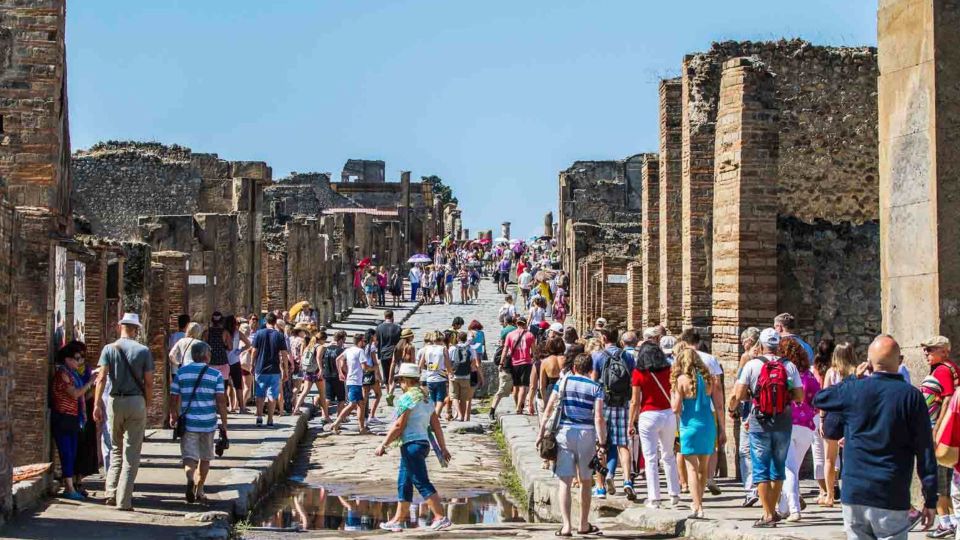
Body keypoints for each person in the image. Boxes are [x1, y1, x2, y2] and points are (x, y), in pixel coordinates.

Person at [814, 334, 936, 540]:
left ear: (868, 364)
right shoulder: (911, 396)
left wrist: (852, 378)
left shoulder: (854, 390)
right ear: (901, 361)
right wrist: (930, 499)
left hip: (854, 493)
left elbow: (821, 398)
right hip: (890, 492)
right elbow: (925, 450)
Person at [728, 328, 803, 528]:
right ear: (778, 345)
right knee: (778, 467)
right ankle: (773, 512)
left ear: (760, 345)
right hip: (783, 422)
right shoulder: (789, 366)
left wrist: (738, 404)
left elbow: (740, 393)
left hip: (758, 422)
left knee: (760, 467)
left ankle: (767, 513)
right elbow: (799, 397)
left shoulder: (752, 365)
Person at [374, 364, 453, 532]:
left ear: (405, 381)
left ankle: (440, 517)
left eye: (400, 381)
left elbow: (399, 425)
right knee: (404, 482)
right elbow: (436, 426)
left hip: (412, 445)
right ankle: (397, 519)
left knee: (420, 481)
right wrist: (443, 448)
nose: (399, 384)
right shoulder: (426, 398)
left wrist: (383, 444)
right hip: (422, 444)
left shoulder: (408, 398)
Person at [536, 352, 607, 537]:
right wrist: (602, 443)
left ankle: (566, 526)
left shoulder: (563, 382)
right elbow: (598, 417)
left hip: (564, 432)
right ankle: (583, 524)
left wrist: (541, 432)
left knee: (564, 482)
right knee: (585, 481)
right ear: (591, 369)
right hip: (587, 433)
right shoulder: (596, 387)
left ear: (574, 368)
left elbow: (549, 407)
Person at [92, 312, 154, 510]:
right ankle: (124, 500)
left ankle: (110, 492)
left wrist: (96, 404)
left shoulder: (109, 349)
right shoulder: (143, 351)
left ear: (121, 327)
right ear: (135, 329)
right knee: (131, 453)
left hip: (114, 401)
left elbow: (101, 379)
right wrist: (148, 402)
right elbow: (149, 382)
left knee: (116, 450)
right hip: (136, 401)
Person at [168, 341, 229, 504]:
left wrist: (173, 415)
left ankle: (190, 478)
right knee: (205, 457)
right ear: (207, 356)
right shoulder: (215, 375)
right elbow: (221, 401)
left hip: (188, 422)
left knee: (189, 456)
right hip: (208, 423)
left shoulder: (182, 372)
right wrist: (224, 422)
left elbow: (173, 397)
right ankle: (200, 489)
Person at [630, 329, 680, 509]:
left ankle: (654, 497)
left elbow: (635, 401)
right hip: (668, 414)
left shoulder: (638, 373)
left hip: (648, 415)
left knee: (651, 457)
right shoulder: (669, 369)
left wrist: (631, 422)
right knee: (668, 455)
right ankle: (674, 493)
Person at [919, 335, 959, 539]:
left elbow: (948, 398)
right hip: (941, 428)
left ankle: (946, 523)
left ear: (944, 351)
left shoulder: (943, 369)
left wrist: (938, 429)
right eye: (925, 349)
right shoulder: (947, 368)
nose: (926, 353)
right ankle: (951, 521)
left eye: (931, 349)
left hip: (938, 429)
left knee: (940, 478)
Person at [775, 337, 820, 522]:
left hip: (786, 423)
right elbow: (817, 399)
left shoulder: (783, 372)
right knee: (793, 468)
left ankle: (794, 510)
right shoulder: (808, 375)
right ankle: (783, 508)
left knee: (789, 469)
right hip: (806, 426)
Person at [678, 329, 726, 496]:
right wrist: (722, 424)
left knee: (684, 450)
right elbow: (718, 387)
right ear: (698, 342)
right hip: (708, 409)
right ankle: (709, 477)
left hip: (686, 413)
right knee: (709, 448)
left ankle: (684, 483)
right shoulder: (710, 359)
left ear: (684, 342)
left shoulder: (680, 359)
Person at [671, 345, 716, 519]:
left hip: (689, 426)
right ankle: (700, 501)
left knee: (691, 468)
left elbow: (675, 408)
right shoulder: (709, 379)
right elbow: (716, 403)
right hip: (707, 425)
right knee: (703, 467)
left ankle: (697, 506)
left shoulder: (680, 380)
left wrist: (673, 395)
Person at [590, 328, 635, 500]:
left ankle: (601, 487)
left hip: (603, 404)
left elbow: (594, 381)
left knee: (601, 445)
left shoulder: (598, 356)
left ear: (603, 338)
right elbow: (632, 380)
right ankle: (627, 481)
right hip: (622, 404)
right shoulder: (628, 357)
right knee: (623, 444)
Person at [51, 345, 97, 500]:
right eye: (77, 359)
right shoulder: (63, 374)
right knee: (66, 453)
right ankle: (69, 488)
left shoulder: (74, 374)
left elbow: (84, 395)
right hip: (63, 417)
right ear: (68, 359)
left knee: (72, 453)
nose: (80, 362)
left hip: (73, 417)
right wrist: (90, 382)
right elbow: (76, 394)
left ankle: (69, 486)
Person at [821, 342, 858, 507]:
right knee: (849, 458)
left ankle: (830, 495)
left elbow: (824, 397)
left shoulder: (831, 372)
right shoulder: (857, 372)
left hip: (833, 416)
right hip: (851, 416)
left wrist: (822, 419)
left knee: (829, 458)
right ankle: (849, 494)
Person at [731, 327, 761, 508]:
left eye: (744, 342)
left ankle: (751, 490)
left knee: (745, 450)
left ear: (750, 341)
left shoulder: (747, 358)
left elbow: (739, 387)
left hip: (749, 409)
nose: (743, 345)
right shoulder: (770, 358)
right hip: (769, 410)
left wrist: (731, 405)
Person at [249, 312, 290, 427]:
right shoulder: (279, 335)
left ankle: (259, 416)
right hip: (274, 369)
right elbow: (284, 354)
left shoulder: (259, 334)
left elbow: (254, 351)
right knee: (272, 394)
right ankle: (270, 419)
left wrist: (252, 365)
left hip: (260, 368)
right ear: (275, 321)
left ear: (265, 321)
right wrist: (285, 370)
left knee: (260, 393)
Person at [329, 333, 373, 435]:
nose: (364, 343)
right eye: (364, 341)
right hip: (355, 381)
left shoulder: (348, 350)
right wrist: (373, 368)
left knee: (361, 404)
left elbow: (337, 359)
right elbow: (364, 367)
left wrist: (340, 373)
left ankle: (362, 428)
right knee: (352, 404)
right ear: (360, 341)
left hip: (351, 380)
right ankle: (336, 424)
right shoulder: (360, 351)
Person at [502, 316, 537, 416]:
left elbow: (505, 350)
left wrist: (501, 362)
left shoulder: (510, 335)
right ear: (525, 324)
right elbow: (534, 351)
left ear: (517, 324)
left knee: (516, 386)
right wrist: (534, 360)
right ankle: (518, 407)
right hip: (526, 362)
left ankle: (517, 405)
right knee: (523, 386)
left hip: (514, 363)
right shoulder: (530, 335)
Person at [293, 330, 328, 419]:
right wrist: (321, 369)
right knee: (322, 394)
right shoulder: (320, 346)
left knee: (305, 391)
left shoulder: (310, 346)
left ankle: (296, 409)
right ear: (322, 339)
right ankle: (326, 416)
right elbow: (318, 358)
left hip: (308, 371)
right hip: (316, 371)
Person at [489, 316, 517, 421]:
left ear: (505, 322)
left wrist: (500, 364)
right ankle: (519, 408)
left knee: (501, 390)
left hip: (506, 365)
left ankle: (492, 411)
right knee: (518, 388)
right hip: (515, 363)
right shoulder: (515, 330)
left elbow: (503, 346)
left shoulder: (504, 331)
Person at [450, 331, 483, 421]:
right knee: (464, 399)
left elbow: (449, 362)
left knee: (454, 396)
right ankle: (464, 417)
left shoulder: (452, 348)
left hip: (454, 375)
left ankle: (459, 415)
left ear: (457, 338)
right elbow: (473, 363)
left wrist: (449, 373)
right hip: (466, 376)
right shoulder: (471, 349)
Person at [224, 315, 249, 413]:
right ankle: (241, 407)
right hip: (235, 360)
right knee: (238, 385)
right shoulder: (238, 333)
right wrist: (239, 350)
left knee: (225, 385)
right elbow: (248, 344)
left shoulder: (224, 333)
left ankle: (228, 406)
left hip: (225, 361)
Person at [375, 310, 402, 394]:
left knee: (386, 373)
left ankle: (388, 392)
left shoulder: (379, 328)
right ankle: (391, 390)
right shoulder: (397, 327)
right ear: (392, 317)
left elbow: (377, 342)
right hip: (395, 353)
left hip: (383, 353)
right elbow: (401, 342)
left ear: (384, 317)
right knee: (394, 373)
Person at [322, 331, 348, 419]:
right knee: (341, 399)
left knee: (328, 397)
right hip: (337, 376)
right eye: (344, 339)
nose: (344, 341)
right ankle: (339, 418)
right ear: (340, 340)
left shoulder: (327, 349)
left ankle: (324, 416)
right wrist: (346, 372)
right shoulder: (341, 350)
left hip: (327, 375)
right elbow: (342, 365)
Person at [391, 328, 416, 394]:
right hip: (408, 371)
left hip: (399, 370)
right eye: (412, 336)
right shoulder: (411, 347)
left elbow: (393, 362)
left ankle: (390, 394)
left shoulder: (397, 347)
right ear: (409, 337)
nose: (413, 337)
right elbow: (413, 361)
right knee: (408, 390)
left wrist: (391, 374)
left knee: (403, 388)